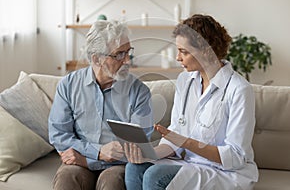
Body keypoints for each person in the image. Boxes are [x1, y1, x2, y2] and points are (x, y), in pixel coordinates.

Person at [124, 14, 258, 190]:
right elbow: (176, 133)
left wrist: (185, 141)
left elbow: (235, 156)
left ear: (206, 51)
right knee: (134, 168)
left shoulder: (239, 90)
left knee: (154, 176)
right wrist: (150, 154)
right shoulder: (185, 81)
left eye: (184, 52)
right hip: (189, 164)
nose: (178, 58)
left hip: (224, 172)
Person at [48, 20, 153, 190]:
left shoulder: (139, 92)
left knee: (112, 182)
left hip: (117, 166)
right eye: (119, 54)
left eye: (128, 52)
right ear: (96, 58)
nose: (127, 61)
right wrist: (98, 153)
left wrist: (87, 159)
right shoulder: (68, 85)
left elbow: (139, 146)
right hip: (78, 163)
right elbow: (59, 135)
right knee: (67, 178)